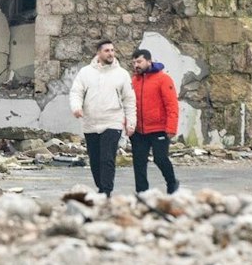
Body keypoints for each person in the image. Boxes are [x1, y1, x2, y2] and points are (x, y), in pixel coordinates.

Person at [69, 39, 135, 196]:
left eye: (112, 50)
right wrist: (76, 107)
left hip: (112, 121)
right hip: (90, 122)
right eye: (107, 51)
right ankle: (101, 187)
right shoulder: (86, 72)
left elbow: (129, 100)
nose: (111, 53)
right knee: (95, 160)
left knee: (107, 158)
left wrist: (131, 123)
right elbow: (76, 92)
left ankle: (106, 191)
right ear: (98, 53)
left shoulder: (122, 74)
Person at [129, 47, 180, 194]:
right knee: (139, 162)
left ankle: (172, 182)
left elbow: (172, 104)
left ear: (149, 61)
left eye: (139, 61)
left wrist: (171, 128)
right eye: (133, 63)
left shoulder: (163, 79)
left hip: (159, 128)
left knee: (160, 158)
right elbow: (129, 104)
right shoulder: (134, 81)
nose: (136, 65)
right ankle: (142, 192)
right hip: (139, 130)